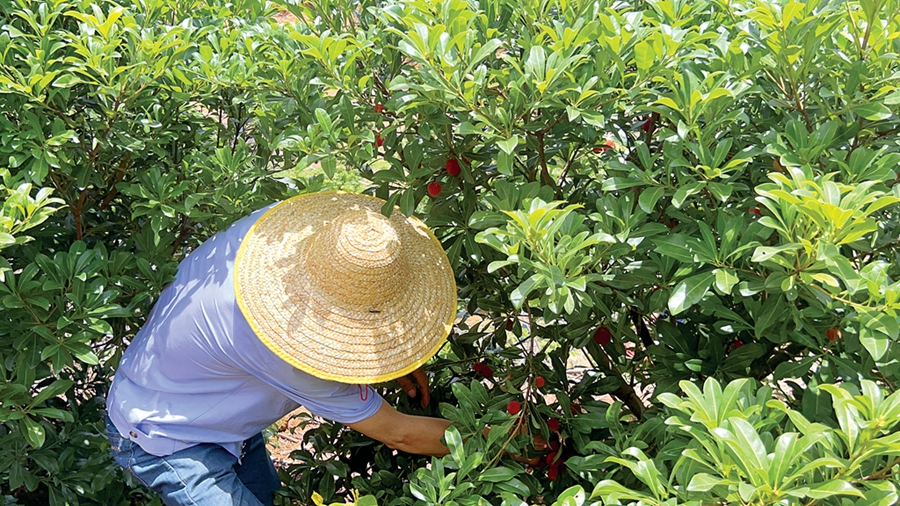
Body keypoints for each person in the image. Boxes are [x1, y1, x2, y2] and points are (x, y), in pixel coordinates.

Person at [106, 192, 460, 505]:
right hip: (167, 435)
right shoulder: (287, 354)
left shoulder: (276, 231)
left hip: (210, 408)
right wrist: (491, 437)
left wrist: (392, 348)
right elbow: (401, 434)